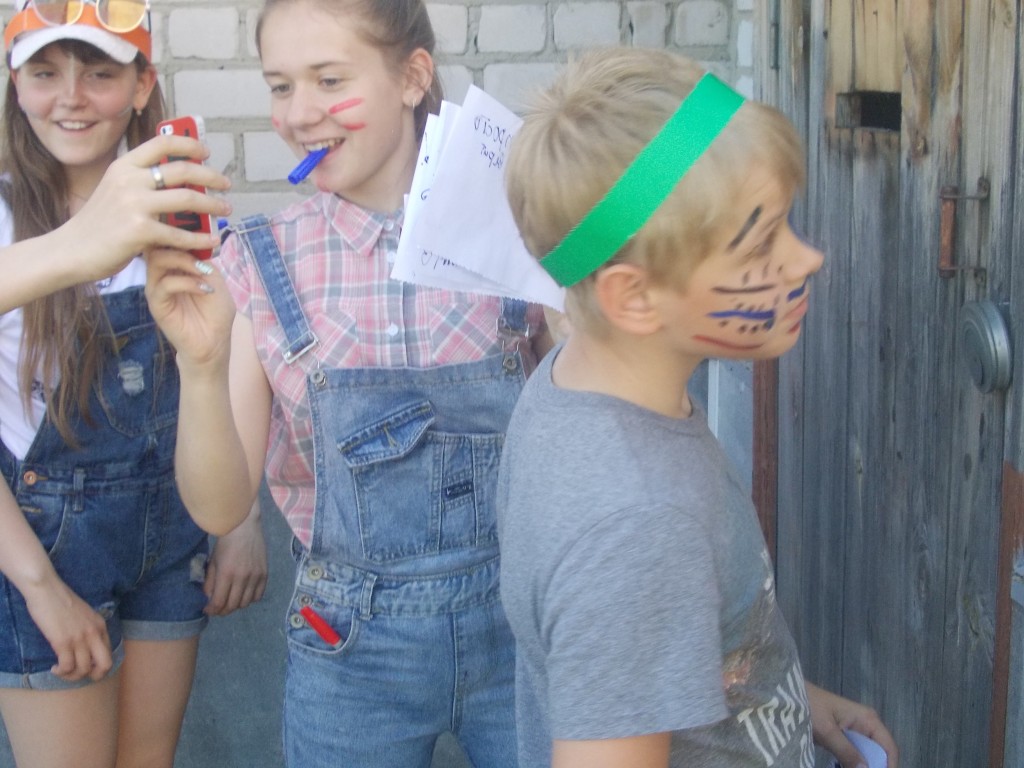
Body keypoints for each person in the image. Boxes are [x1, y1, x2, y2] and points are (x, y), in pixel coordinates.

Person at [144, 0, 552, 765]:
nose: (299, 113)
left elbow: (586, 418)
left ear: (413, 77)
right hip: (349, 650)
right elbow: (221, 507)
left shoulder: (516, 229)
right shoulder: (261, 258)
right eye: (280, 86)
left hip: (523, 627)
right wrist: (199, 365)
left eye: (329, 80)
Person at [497, 47, 900, 768]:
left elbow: (645, 653)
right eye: (761, 244)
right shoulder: (637, 526)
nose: (806, 259)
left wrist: (784, 699)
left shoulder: (576, 381)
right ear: (634, 297)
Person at [0, 2, 267, 766]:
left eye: (99, 72)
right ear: (16, 86)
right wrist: (38, 586)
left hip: (173, 533)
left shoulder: (186, 213)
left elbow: (221, 369)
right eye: (44, 73)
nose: (71, 97)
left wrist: (238, 522)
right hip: (45, 546)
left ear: (143, 83)